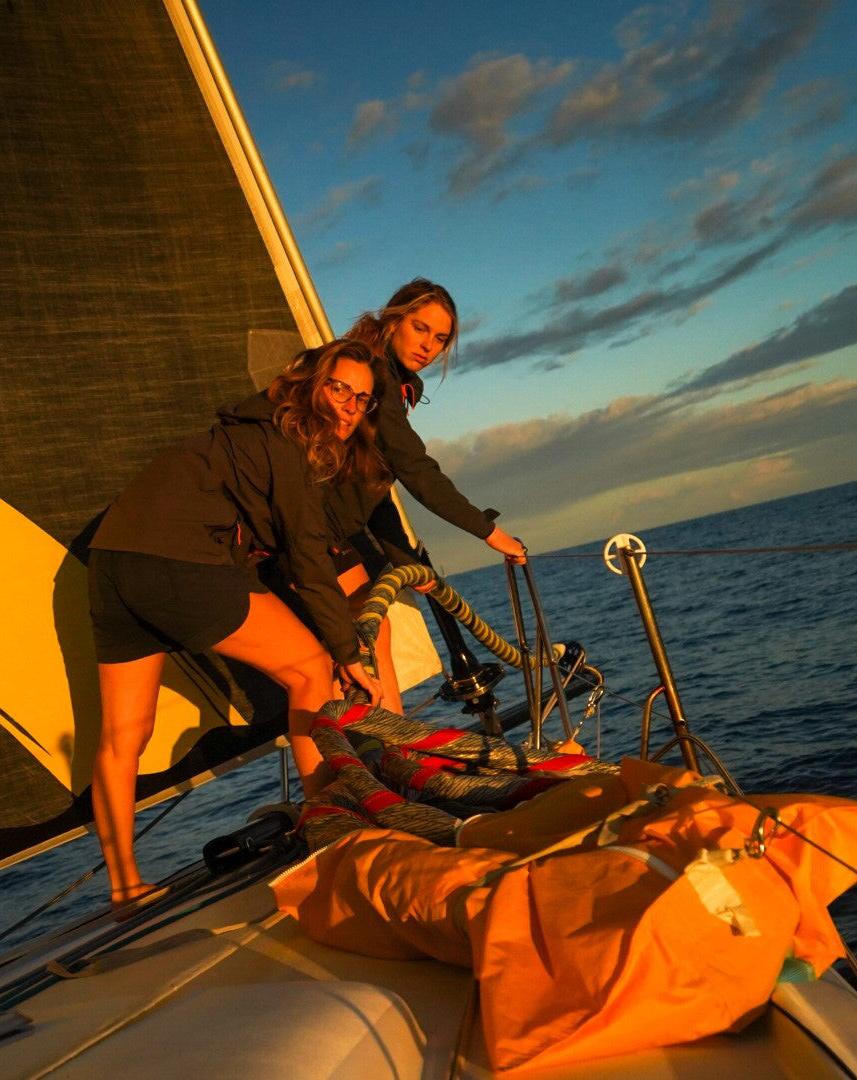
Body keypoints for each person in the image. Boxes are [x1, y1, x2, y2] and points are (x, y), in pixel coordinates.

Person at [87, 339, 387, 907]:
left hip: (112, 563)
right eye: (339, 388)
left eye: (362, 399)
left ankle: (125, 886)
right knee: (310, 671)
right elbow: (307, 558)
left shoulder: (244, 431)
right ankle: (335, 834)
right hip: (179, 557)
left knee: (122, 737)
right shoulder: (287, 440)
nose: (348, 406)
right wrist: (348, 652)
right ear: (312, 385)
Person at [332, 279, 529, 711]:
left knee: (369, 637)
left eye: (440, 339)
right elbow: (413, 467)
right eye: (420, 328)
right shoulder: (369, 374)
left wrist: (404, 559)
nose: (429, 346)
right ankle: (376, 759)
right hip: (310, 529)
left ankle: (390, 752)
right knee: (346, 653)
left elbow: (374, 481)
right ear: (393, 320)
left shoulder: (393, 382)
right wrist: (489, 532)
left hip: (334, 531)